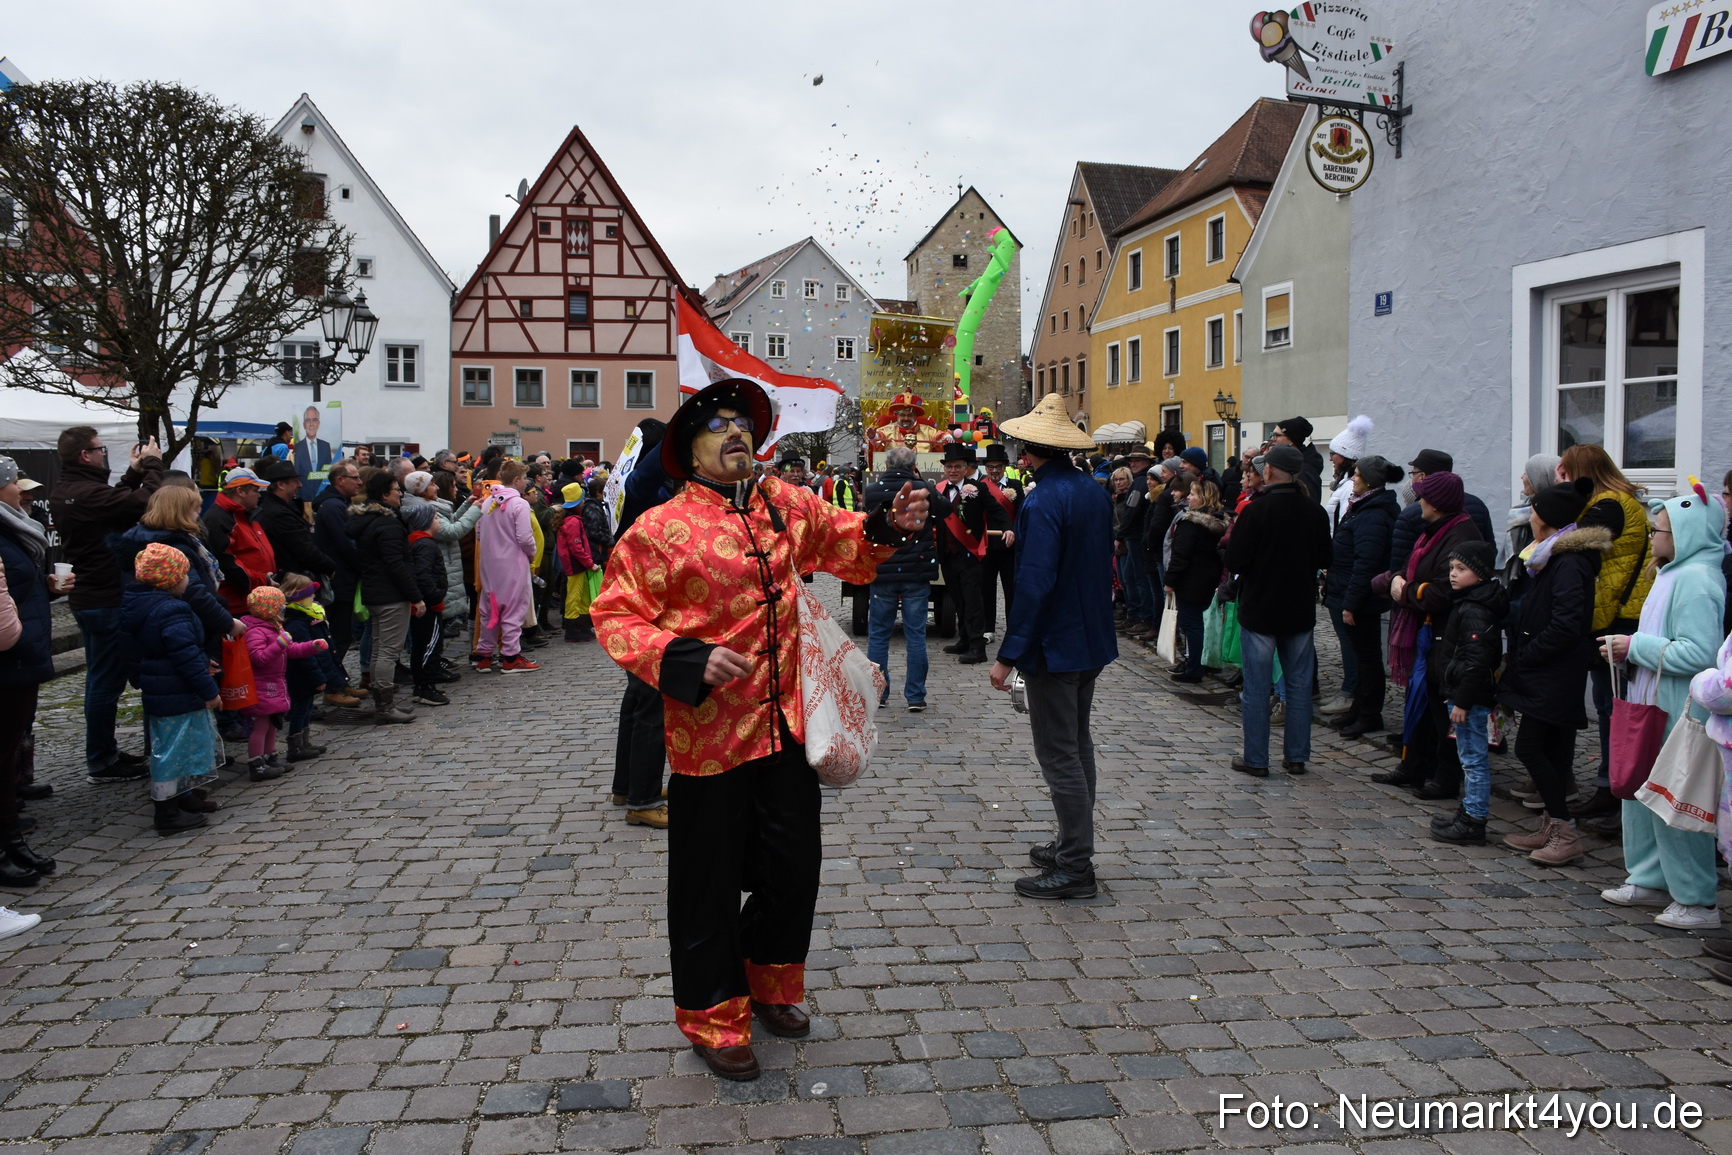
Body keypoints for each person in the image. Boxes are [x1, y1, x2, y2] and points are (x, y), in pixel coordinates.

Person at [592, 377, 927, 1082]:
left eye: (741, 422)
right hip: (710, 734)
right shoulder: (658, 529)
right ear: (690, 451)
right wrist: (685, 658)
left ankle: (770, 983)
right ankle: (714, 1016)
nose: (736, 431)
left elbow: (845, 542)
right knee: (707, 882)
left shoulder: (784, 502)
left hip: (789, 723)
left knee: (792, 866)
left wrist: (889, 525)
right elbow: (614, 613)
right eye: (717, 425)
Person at [986, 395, 1116, 899]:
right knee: (1077, 745)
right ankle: (1070, 843)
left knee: (1060, 752)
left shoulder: (1043, 500)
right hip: (1089, 637)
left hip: (1056, 643)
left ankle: (1076, 864)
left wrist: (1008, 655)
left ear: (1029, 450)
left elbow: (1035, 584)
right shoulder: (1091, 490)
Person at [1598, 484, 1726, 927]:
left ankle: (1696, 898)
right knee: (1642, 791)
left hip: (1678, 710)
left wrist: (1634, 646)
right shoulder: (1673, 572)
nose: (1653, 537)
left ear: (1686, 534)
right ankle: (1650, 877)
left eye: (1660, 530)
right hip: (1652, 701)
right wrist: (1630, 650)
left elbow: (1700, 653)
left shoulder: (1697, 580)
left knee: (1675, 799)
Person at [49, 427, 167, 784]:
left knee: (101, 678)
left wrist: (132, 472)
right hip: (104, 598)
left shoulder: (69, 489)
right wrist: (152, 465)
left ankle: (104, 754)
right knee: (105, 682)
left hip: (91, 597)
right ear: (85, 455)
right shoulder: (85, 493)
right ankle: (101, 760)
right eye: (100, 449)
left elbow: (113, 503)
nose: (104, 454)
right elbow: (142, 502)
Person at [1496, 479, 1602, 865]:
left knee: (1529, 747)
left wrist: (1529, 655)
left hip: (1554, 671)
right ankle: (1553, 824)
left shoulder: (1569, 562)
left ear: (1547, 518)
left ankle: (1564, 833)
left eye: (1534, 511)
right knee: (1553, 751)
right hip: (1550, 668)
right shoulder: (1552, 555)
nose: (1530, 517)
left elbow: (1566, 624)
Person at [1371, 472, 1485, 798]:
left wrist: (1404, 590)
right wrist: (1395, 580)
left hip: (1445, 634)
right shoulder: (1435, 530)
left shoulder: (1459, 534)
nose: (1418, 500)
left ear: (1436, 503)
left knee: (1439, 709)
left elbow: (1443, 591)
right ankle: (1413, 765)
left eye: (1423, 496)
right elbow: (1415, 569)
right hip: (1427, 633)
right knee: (1420, 703)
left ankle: (1444, 777)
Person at [1558, 444, 1655, 825]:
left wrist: (1555, 507)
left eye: (1566, 471)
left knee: (1615, 710)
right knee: (1609, 707)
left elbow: (1572, 542)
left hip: (1617, 620)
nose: (1562, 476)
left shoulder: (1609, 505)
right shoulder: (1616, 501)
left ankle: (1617, 792)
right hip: (1614, 616)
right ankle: (1610, 787)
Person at [1224, 444, 1333, 778]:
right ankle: (1296, 756)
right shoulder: (1314, 511)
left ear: (1269, 470)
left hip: (1261, 608)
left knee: (1257, 688)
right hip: (1298, 609)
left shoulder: (1257, 511)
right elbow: (1325, 558)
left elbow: (1235, 560)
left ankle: (1256, 759)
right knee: (1298, 687)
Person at [0, 456, 69, 891]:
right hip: (11, 653)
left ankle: (11, 841)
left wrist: (45, 587)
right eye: (15, 483)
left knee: (7, 753)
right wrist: (19, 634)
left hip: (22, 651)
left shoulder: (14, 527)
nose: (22, 491)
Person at [124, 542, 224, 833]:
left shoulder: (141, 604)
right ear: (170, 579)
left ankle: (184, 796)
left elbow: (171, 649)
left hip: (162, 686)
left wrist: (202, 661)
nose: (188, 580)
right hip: (174, 690)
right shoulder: (172, 610)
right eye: (185, 575)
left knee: (180, 745)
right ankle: (167, 812)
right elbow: (184, 655)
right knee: (171, 751)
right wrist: (209, 691)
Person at [1428, 542, 1507, 845]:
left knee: (1473, 761)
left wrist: (1462, 700)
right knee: (1468, 758)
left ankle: (1474, 820)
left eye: (1461, 569)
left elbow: (1477, 661)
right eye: (1451, 568)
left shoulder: (1475, 610)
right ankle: (1468, 812)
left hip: (1471, 700)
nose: (1453, 574)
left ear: (1480, 573)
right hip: (1464, 694)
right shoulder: (1468, 602)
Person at [865, 445, 951, 712]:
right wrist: (922, 481)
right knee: (916, 635)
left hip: (884, 568)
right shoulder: (923, 488)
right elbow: (946, 510)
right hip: (917, 569)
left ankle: (879, 693)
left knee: (879, 635)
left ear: (886, 464)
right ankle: (915, 695)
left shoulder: (873, 490)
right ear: (914, 465)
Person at [1322, 456, 1402, 738]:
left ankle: (1369, 715)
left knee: (1367, 658)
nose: (1353, 479)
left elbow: (1366, 564)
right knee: (1361, 655)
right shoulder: (1364, 506)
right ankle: (1359, 708)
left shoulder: (1373, 514)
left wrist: (1351, 604)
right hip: (1351, 591)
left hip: (1361, 598)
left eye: (1356, 475)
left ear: (1368, 480)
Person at [347, 470, 422, 722]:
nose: (400, 494)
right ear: (383, 494)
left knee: (380, 648)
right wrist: (415, 596)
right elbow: (395, 564)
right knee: (388, 651)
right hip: (390, 595)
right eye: (396, 490)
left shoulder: (368, 520)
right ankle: (385, 706)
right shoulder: (387, 523)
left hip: (376, 591)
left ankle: (383, 701)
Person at [1317, 416, 1372, 716]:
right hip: (1336, 567)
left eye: (1335, 454)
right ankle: (1351, 688)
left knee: (1350, 638)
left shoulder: (1350, 488)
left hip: (1343, 569)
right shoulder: (1344, 485)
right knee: (1345, 637)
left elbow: (1341, 528)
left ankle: (1351, 690)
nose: (1331, 459)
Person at [471, 460, 540, 673]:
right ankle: (510, 657)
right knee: (513, 609)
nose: (526, 483)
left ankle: (484, 655)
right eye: (525, 479)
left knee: (489, 608)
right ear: (517, 480)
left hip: (489, 563)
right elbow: (525, 538)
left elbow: (479, 533)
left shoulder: (487, 502)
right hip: (513, 563)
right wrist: (531, 555)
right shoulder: (519, 504)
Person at [1387, 449, 1497, 573]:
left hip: (1428, 582)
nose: (1422, 502)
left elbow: (1399, 565)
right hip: (1475, 580)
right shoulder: (1478, 505)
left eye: (1413, 473)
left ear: (1422, 476)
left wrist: (1397, 578)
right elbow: (1489, 550)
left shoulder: (1410, 515)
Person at [1163, 479, 1227, 683]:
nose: (1188, 498)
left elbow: (1180, 554)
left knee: (1191, 624)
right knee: (1199, 623)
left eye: (1192, 494)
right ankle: (1197, 664)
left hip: (1191, 580)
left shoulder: (1190, 523)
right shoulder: (1218, 523)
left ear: (1203, 498)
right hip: (1209, 577)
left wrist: (1170, 580)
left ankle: (1194, 668)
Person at [312, 459, 366, 702]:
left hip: (342, 576)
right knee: (338, 634)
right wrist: (365, 566)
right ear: (340, 480)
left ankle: (339, 681)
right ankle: (333, 688)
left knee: (340, 633)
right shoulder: (334, 507)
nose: (359, 482)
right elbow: (347, 544)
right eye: (355, 477)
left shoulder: (336, 503)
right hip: (339, 579)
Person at [934, 443, 990, 664]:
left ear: (966, 468)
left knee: (973, 601)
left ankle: (978, 647)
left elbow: (995, 510)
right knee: (958, 599)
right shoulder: (938, 490)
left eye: (957, 466)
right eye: (949, 467)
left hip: (970, 555)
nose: (953, 470)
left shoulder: (978, 489)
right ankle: (965, 639)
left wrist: (1007, 528)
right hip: (947, 555)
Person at [202, 467, 275, 616]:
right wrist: (263, 580)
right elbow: (227, 564)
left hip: (255, 600)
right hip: (238, 605)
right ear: (240, 491)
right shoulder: (219, 518)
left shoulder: (245, 515)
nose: (259, 495)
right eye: (255, 490)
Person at [279, 574, 337, 755]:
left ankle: (304, 742)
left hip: (303, 673)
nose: (314, 597)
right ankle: (296, 746)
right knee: (301, 709)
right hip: (300, 675)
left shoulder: (303, 618)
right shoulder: (297, 623)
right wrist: (318, 678)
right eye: (310, 594)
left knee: (306, 707)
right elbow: (305, 656)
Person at [400, 504, 450, 707]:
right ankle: (425, 686)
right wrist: (435, 596)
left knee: (422, 645)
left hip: (427, 601)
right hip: (429, 603)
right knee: (430, 645)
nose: (438, 521)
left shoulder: (418, 542)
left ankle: (422, 685)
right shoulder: (425, 545)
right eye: (436, 518)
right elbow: (423, 575)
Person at [254, 459, 334, 582]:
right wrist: (330, 567)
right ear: (281, 485)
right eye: (295, 481)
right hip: (294, 580)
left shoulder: (276, 508)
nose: (300, 485)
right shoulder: (279, 514)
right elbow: (304, 549)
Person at [1113, 450, 1158, 643]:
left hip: (1136, 536)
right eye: (1132, 460)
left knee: (1137, 578)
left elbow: (1132, 510)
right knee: (1130, 577)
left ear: (1146, 462)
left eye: (1138, 460)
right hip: (1134, 536)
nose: (1134, 463)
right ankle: (1135, 615)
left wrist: (1120, 535)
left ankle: (1142, 617)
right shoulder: (1140, 481)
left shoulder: (1139, 482)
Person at [978, 443, 1022, 631]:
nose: (994, 471)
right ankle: (988, 629)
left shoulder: (1015, 485)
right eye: (990, 467)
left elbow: (1021, 513)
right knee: (986, 589)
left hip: (1008, 545)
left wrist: (1015, 532)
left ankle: (1013, 629)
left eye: (998, 467)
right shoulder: (980, 486)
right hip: (987, 545)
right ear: (985, 468)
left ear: (1004, 467)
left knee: (1011, 589)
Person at [555, 483, 599, 643]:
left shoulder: (571, 520)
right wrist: (590, 563)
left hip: (578, 565)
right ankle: (573, 629)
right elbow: (576, 548)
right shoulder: (573, 522)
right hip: (575, 565)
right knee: (574, 597)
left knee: (582, 596)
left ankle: (582, 626)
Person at [1270, 417, 1324, 499]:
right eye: (1272, 435)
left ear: (1291, 440)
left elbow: (1309, 502)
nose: (1272, 439)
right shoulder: (1290, 464)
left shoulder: (1304, 470)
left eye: (1277, 435)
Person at [293, 406, 338, 495]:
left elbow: (329, 470)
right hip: (303, 495)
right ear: (304, 424)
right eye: (308, 420)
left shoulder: (326, 446)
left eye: (314, 420)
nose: (311, 424)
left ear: (318, 424)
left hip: (323, 493)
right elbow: (297, 473)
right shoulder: (298, 447)